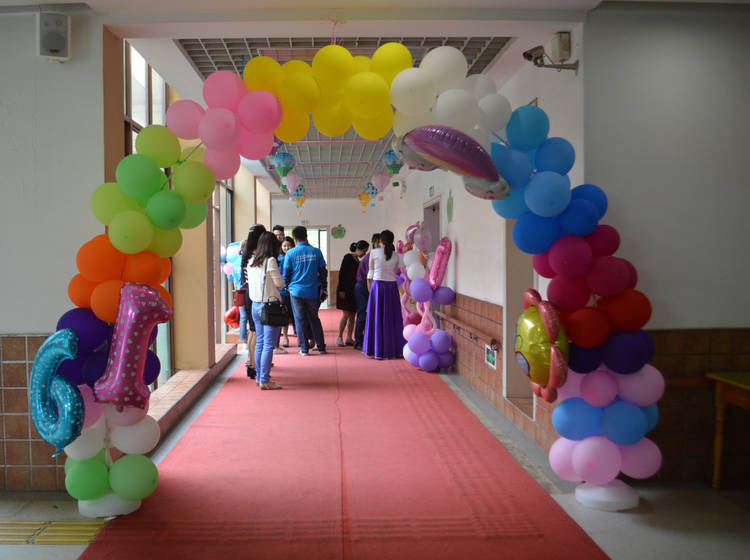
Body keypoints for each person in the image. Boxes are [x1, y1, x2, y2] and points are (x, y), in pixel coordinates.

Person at [247, 232, 286, 390]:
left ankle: (259, 377)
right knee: (268, 344)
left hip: (255, 305)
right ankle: (265, 380)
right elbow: (280, 284)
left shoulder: (251, 261)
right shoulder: (270, 261)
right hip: (269, 307)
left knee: (260, 343)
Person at [284, 225, 328, 356]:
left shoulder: (290, 253)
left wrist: (287, 286)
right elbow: (323, 271)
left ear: (294, 238)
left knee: (300, 319)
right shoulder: (316, 251)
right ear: (306, 236)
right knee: (314, 318)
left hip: (296, 291)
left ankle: (304, 349)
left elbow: (286, 273)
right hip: (312, 291)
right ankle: (321, 347)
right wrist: (324, 288)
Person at [363, 229, 405, 359]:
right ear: (392, 241)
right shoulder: (397, 256)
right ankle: (393, 350)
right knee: (392, 318)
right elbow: (396, 271)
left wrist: (370, 291)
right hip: (391, 288)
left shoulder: (374, 252)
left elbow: (370, 274)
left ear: (380, 240)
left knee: (376, 317)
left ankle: (376, 351)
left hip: (377, 287)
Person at [240, 224, 266, 378]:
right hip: (256, 293)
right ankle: (255, 366)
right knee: (256, 332)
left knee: (252, 331)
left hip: (248, 293)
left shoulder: (246, 253)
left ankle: (251, 364)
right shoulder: (258, 256)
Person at [353, 234, 379, 350]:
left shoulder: (375, 255)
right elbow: (370, 277)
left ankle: (364, 339)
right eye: (379, 242)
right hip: (363, 287)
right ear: (375, 243)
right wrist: (372, 292)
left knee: (367, 314)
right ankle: (358, 341)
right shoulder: (371, 256)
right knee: (362, 314)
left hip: (367, 286)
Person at [335, 242, 360, 346]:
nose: (364, 253)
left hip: (353, 290)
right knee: (346, 314)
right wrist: (341, 290)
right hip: (345, 289)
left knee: (353, 314)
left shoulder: (358, 260)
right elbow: (341, 274)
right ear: (357, 249)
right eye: (363, 250)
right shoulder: (348, 258)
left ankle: (349, 337)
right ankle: (339, 337)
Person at [276, 236, 296, 350]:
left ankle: (300, 337)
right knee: (284, 315)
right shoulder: (278, 258)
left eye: (289, 245)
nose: (287, 248)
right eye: (284, 246)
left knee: (295, 315)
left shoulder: (294, 257)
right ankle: (285, 338)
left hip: (294, 290)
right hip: (283, 291)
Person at [234, 240, 250, 353]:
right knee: (252, 317)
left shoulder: (235, 262)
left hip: (239, 292)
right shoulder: (248, 261)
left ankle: (244, 342)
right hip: (249, 291)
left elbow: (234, 280)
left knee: (243, 317)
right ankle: (252, 341)